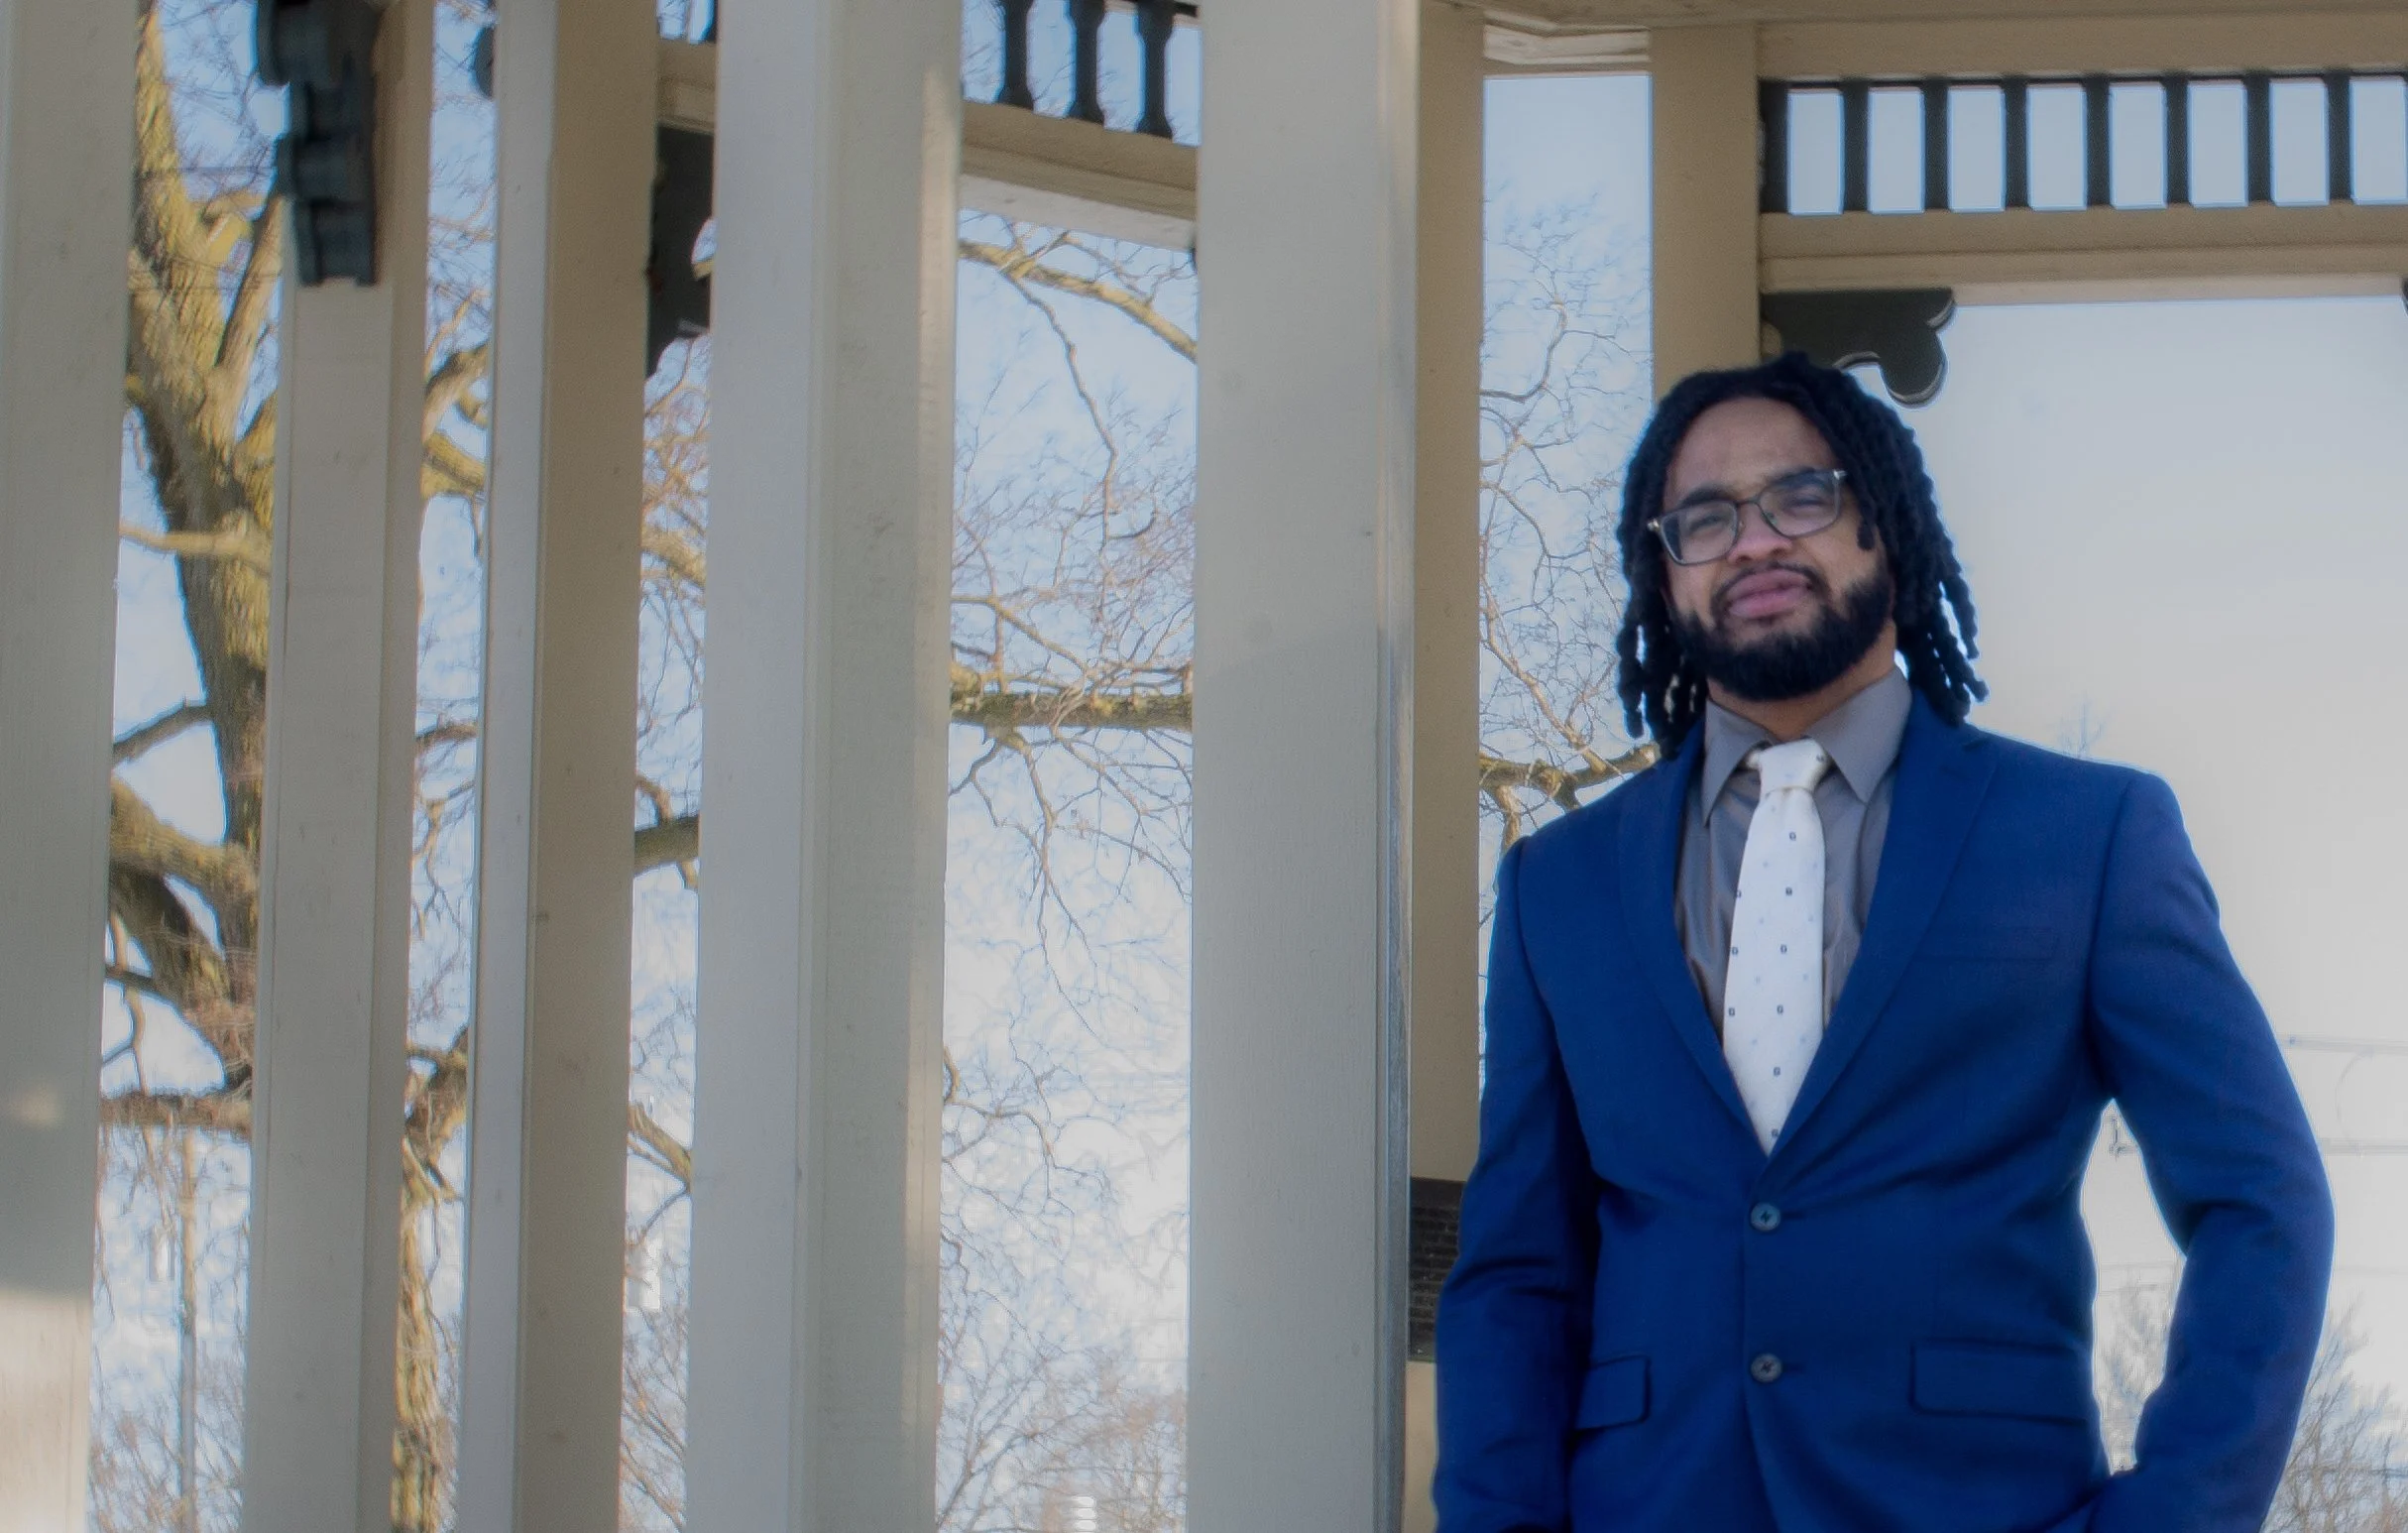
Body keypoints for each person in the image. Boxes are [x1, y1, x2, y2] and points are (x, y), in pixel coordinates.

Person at [1432, 353, 2333, 1532]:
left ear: (1886, 529)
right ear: (1662, 577)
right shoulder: (1557, 884)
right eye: (1702, 518)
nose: (1751, 541)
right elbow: (1515, 1274)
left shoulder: (2086, 836)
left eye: (1798, 496)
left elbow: (2259, 1201)